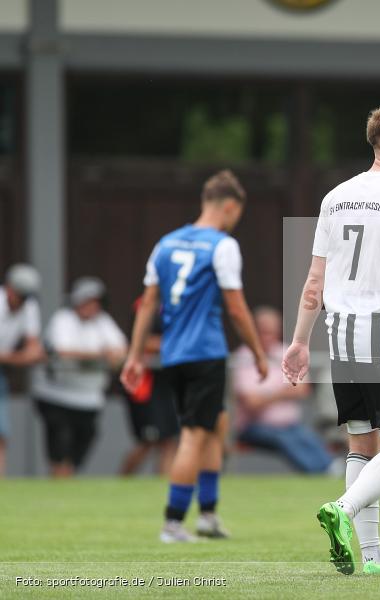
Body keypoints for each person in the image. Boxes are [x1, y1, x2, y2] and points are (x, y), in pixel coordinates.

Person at [282, 102, 380, 576]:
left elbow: (314, 283)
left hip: (341, 336)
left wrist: (299, 343)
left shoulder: (334, 198)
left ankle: (370, 557)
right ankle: (343, 510)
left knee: (359, 444)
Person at [121, 170, 268, 543]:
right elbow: (236, 308)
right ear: (230, 206)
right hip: (205, 352)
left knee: (215, 424)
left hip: (173, 355)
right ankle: (173, 522)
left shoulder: (166, 244)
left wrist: (135, 356)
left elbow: (148, 303)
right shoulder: (221, 245)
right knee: (193, 434)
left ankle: (207, 515)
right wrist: (258, 353)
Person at [32, 277, 127, 477]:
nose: (92, 307)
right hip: (57, 395)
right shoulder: (63, 319)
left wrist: (111, 355)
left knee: (85, 438)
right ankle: (58, 478)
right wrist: (101, 355)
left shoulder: (103, 322)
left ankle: (67, 476)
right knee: (60, 442)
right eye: (87, 301)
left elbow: (121, 349)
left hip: (89, 397)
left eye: (96, 302)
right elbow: (64, 351)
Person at [234, 306, 335, 474]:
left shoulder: (286, 352)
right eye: (263, 332)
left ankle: (331, 469)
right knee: (284, 438)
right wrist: (283, 391)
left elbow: (303, 389)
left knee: (307, 437)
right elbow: (251, 402)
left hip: (290, 425)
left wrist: (266, 395)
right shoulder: (244, 357)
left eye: (272, 332)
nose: (268, 337)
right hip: (255, 427)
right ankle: (317, 473)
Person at [119, 296, 179, 476]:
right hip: (144, 384)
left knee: (169, 439)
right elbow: (140, 340)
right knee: (148, 440)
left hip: (165, 383)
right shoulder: (145, 305)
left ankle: (164, 488)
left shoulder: (175, 303)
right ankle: (121, 482)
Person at [0, 264, 45, 476]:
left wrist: (10, 357)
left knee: (1, 433)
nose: (23, 300)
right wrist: (18, 358)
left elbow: (34, 349)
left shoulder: (29, 307)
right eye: (20, 294)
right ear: (9, 288)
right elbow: (26, 355)